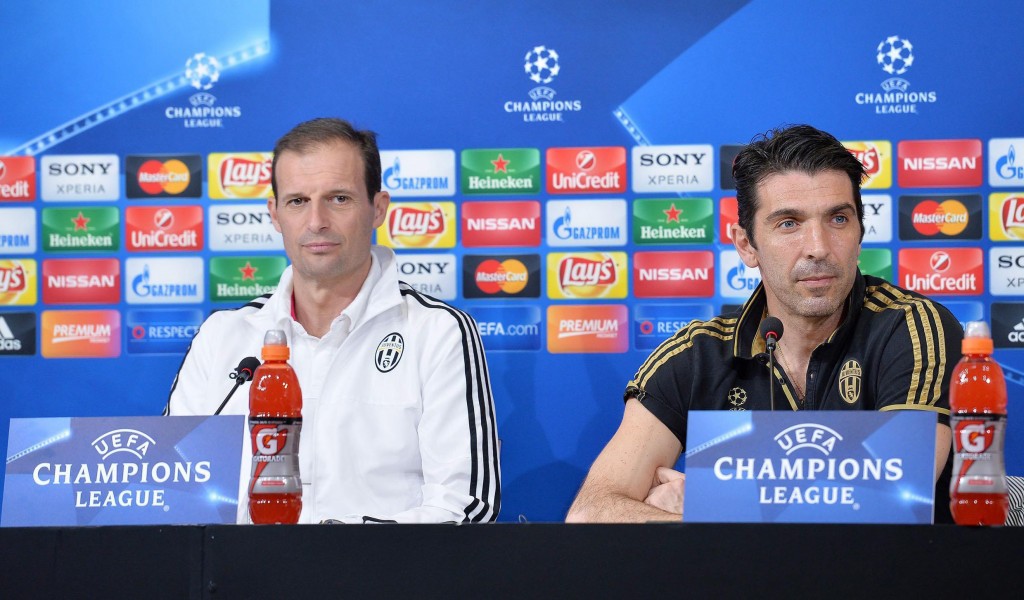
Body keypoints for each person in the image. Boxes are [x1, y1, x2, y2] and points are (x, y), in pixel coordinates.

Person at [566, 124, 960, 523]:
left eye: (838, 219)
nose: (819, 247)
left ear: (860, 233)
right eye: (789, 223)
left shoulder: (912, 327)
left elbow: (895, 498)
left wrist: (704, 503)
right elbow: (591, 513)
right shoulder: (698, 355)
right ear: (746, 245)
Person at [165, 117, 500, 524]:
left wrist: (335, 546)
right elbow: (175, 494)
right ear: (274, 214)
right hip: (241, 567)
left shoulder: (437, 331)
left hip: (380, 567)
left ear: (378, 209)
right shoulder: (222, 336)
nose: (316, 222)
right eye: (297, 201)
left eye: (339, 199)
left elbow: (465, 506)